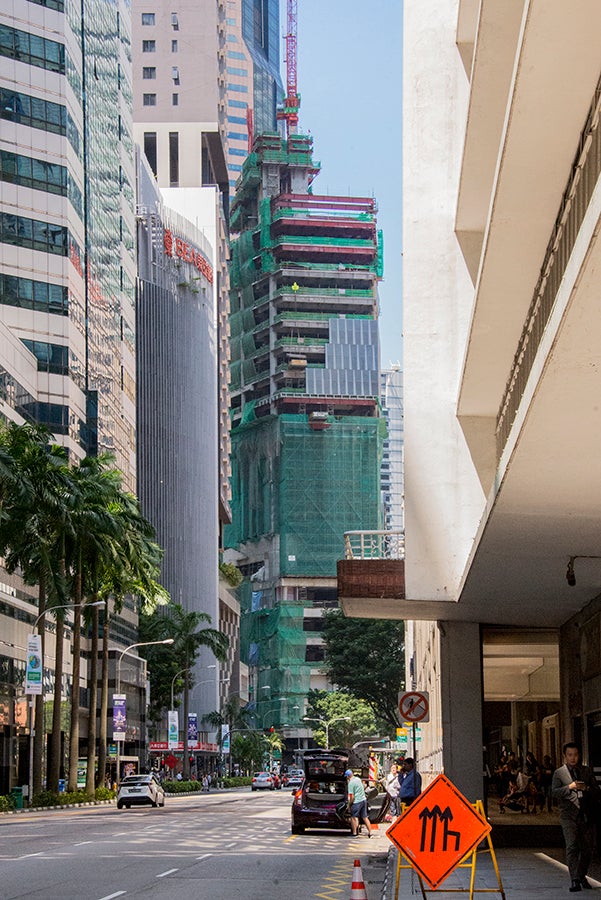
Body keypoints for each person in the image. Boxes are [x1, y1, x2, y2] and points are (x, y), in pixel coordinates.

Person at [552, 742, 600, 892]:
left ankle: (581, 875)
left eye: (575, 755)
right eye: (570, 755)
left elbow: (597, 791)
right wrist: (569, 787)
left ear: (579, 755)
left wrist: (586, 788)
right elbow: (554, 792)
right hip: (568, 815)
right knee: (572, 846)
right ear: (565, 756)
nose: (573, 758)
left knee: (587, 848)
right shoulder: (559, 773)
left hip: (585, 815)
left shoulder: (586, 771)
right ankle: (574, 879)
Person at [345, 769, 372, 838]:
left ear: (347, 776)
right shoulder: (358, 779)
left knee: (354, 817)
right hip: (363, 800)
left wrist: (349, 805)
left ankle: (354, 833)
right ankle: (370, 833)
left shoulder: (351, 784)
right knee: (365, 817)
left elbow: (352, 797)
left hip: (357, 801)